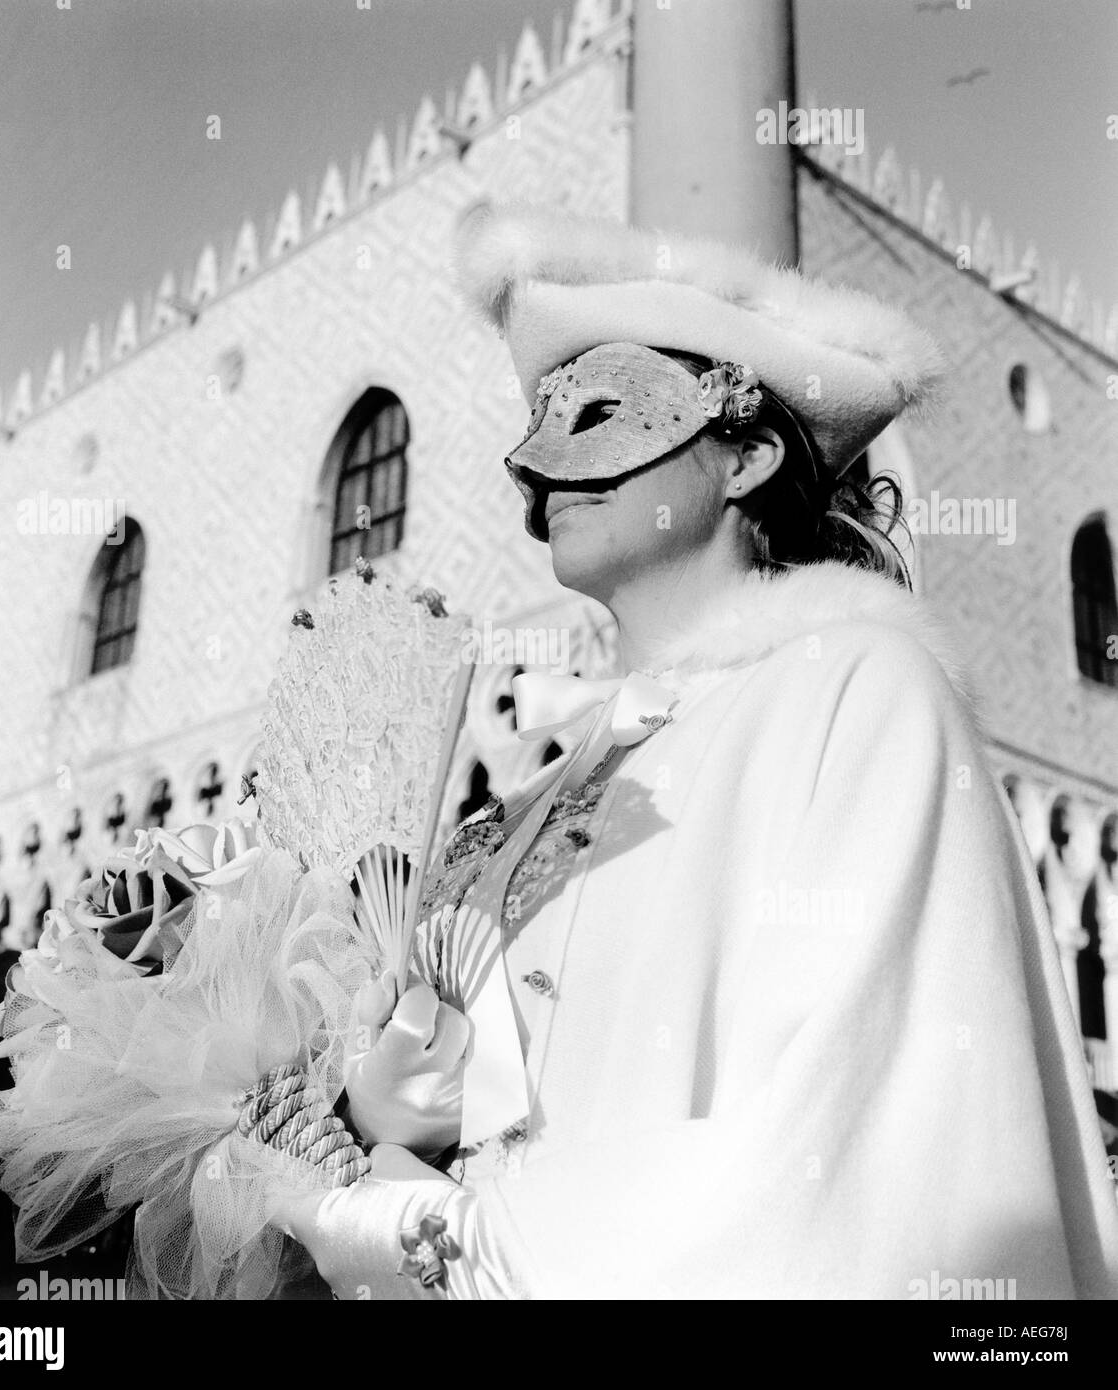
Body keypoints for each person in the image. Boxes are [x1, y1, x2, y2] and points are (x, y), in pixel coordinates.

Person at [259, 201, 1118, 1299]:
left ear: (748, 453)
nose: (537, 466)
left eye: (602, 412)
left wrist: (420, 1233)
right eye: (539, 422)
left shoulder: (856, 696)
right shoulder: (526, 797)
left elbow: (837, 1158)